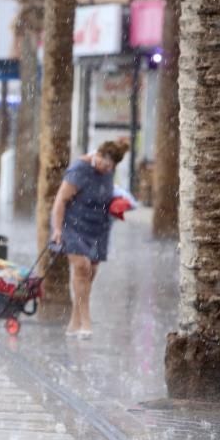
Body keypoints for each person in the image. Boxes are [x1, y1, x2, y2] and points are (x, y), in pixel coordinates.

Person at [50, 138, 130, 339]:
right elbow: (61, 200)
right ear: (98, 155)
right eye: (103, 164)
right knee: (82, 267)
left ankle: (74, 323)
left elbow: (106, 193)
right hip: (74, 226)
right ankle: (86, 322)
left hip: (98, 228)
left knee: (90, 273)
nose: (105, 169)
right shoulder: (79, 170)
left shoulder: (108, 172)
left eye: (109, 167)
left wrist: (118, 203)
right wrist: (57, 229)